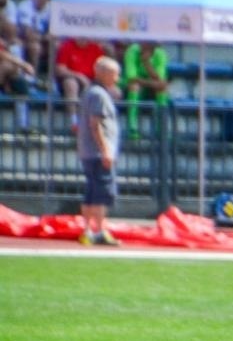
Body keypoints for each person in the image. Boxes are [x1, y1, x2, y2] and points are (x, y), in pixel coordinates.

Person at [77, 56, 122, 246]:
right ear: (104, 73)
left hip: (89, 152)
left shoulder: (91, 92)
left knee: (92, 192)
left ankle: (89, 230)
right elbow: (95, 124)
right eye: (115, 74)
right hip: (97, 153)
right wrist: (105, 150)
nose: (117, 79)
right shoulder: (99, 95)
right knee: (100, 193)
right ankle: (99, 230)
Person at [121, 40, 168, 139]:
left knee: (162, 90)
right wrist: (154, 83)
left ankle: (161, 128)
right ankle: (132, 127)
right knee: (134, 86)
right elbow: (131, 78)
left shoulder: (160, 54)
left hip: (150, 89)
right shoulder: (132, 51)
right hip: (131, 90)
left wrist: (146, 63)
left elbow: (159, 78)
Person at [54, 37, 105, 104]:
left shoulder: (96, 48)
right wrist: (79, 77)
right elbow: (60, 70)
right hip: (73, 78)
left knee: (112, 89)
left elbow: (103, 67)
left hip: (93, 79)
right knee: (70, 83)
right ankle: (72, 110)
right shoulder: (67, 46)